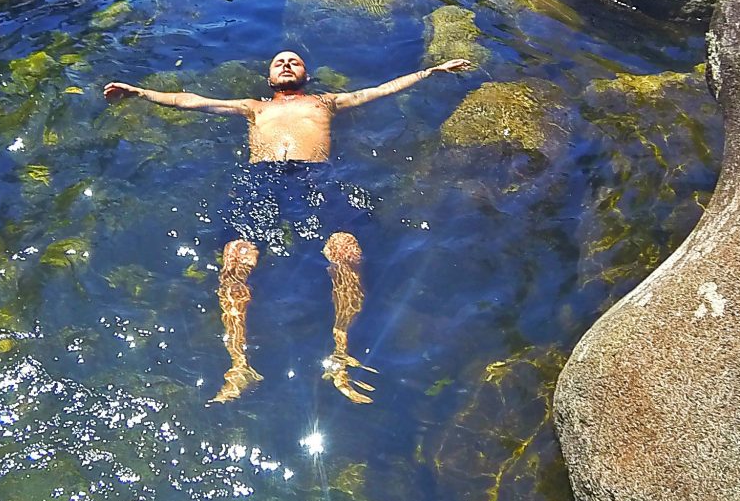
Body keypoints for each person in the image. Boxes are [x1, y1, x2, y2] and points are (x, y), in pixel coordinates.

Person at [103, 49, 474, 404]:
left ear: (305, 75)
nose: (285, 64)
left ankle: (341, 355)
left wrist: (430, 72)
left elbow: (377, 91)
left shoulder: (324, 102)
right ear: (268, 77)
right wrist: (139, 92)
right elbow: (190, 100)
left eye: (293, 61)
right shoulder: (253, 108)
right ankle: (239, 366)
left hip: (316, 178)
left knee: (346, 251)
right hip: (259, 179)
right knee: (236, 258)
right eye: (279, 62)